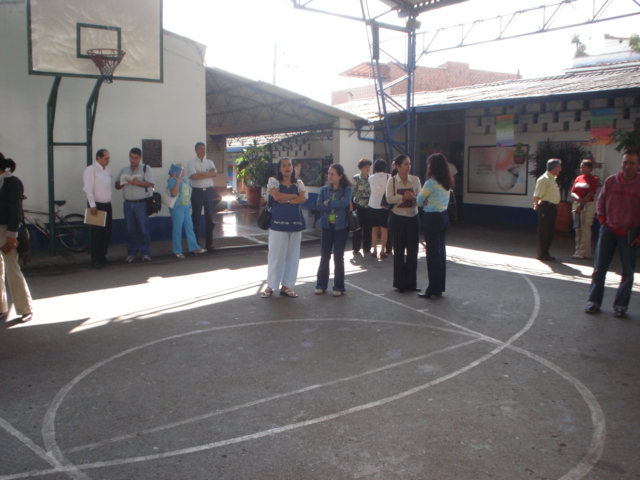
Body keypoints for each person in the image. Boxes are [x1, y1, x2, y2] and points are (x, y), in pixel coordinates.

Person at [585, 151, 640, 317]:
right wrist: (602, 220)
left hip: (630, 234)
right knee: (599, 269)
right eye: (625, 162)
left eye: (631, 163)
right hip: (608, 230)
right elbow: (600, 201)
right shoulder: (611, 181)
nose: (627, 166)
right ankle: (593, 302)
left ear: (638, 165)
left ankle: (621, 306)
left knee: (628, 272)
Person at [261, 158, 307, 299]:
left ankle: (287, 286)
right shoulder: (273, 181)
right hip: (277, 224)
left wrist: (285, 200)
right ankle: (270, 286)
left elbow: (302, 198)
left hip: (296, 223)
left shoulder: (299, 183)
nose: (287, 167)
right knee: (275, 255)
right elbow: (276, 196)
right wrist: (293, 196)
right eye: (284, 165)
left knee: (293, 256)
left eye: (289, 165)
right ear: (279, 168)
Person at [0, 155, 33, 323]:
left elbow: (16, 210)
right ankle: (1, 307)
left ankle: (25, 308)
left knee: (12, 269)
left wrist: (12, 234)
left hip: (6, 230)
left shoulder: (12, 183)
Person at [416, 153, 454, 298]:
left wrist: (425, 201)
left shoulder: (431, 183)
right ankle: (439, 287)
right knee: (440, 252)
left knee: (432, 253)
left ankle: (432, 289)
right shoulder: (446, 182)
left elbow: (419, 200)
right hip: (443, 216)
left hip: (432, 218)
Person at [386, 154, 422, 293]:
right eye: (406, 164)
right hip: (397, 218)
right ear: (398, 166)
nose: (408, 166)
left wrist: (413, 198)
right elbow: (389, 198)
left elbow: (420, 198)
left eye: (409, 163)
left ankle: (411, 283)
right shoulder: (392, 181)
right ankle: (400, 283)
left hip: (413, 217)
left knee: (413, 250)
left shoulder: (415, 180)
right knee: (399, 250)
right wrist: (402, 197)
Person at [315, 164, 352, 297]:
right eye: (328, 173)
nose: (329, 176)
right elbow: (319, 206)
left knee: (338, 257)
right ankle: (321, 285)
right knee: (325, 256)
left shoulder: (347, 189)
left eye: (332, 174)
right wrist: (336, 203)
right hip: (326, 226)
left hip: (341, 227)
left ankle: (339, 287)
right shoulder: (324, 190)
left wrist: (328, 203)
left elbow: (345, 203)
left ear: (340, 176)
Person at [115, 147, 154, 263]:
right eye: (131, 158)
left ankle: (145, 253)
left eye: (135, 158)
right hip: (128, 204)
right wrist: (122, 182)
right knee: (130, 230)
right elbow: (117, 186)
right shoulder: (124, 170)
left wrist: (136, 183)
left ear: (140, 158)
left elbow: (150, 184)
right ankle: (131, 253)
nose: (133, 160)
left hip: (141, 203)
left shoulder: (146, 169)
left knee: (143, 229)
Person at [167, 164, 207, 258]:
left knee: (190, 227)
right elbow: (174, 193)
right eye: (182, 170)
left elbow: (188, 193)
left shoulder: (185, 180)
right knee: (177, 229)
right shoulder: (172, 180)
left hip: (186, 207)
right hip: (177, 207)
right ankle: (177, 250)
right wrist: (177, 180)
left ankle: (194, 247)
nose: (184, 172)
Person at [82, 148, 112, 269]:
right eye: (106, 158)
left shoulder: (107, 170)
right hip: (97, 205)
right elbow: (88, 189)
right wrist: (92, 205)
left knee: (107, 232)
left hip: (107, 204)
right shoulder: (91, 170)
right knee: (97, 233)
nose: (108, 160)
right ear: (98, 158)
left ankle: (102, 256)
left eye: (108, 158)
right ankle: (95, 259)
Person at [186, 142, 217, 252]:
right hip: (197, 192)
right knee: (196, 219)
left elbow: (214, 174)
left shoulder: (210, 162)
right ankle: (195, 245)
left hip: (208, 191)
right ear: (196, 150)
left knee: (209, 219)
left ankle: (209, 244)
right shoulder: (191, 162)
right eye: (200, 149)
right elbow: (193, 176)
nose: (203, 151)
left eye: (204, 149)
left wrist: (200, 173)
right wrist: (207, 173)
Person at [533, 158, 562, 261]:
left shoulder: (552, 179)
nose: (560, 169)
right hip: (546, 207)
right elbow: (537, 196)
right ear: (554, 168)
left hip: (552, 207)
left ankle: (545, 252)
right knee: (544, 231)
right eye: (559, 167)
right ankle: (542, 253)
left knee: (549, 231)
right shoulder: (544, 179)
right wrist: (536, 206)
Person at [570, 159, 598, 259]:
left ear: (590, 168)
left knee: (585, 227)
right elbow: (572, 191)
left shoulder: (593, 179)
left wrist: (581, 204)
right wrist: (578, 199)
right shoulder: (578, 178)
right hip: (576, 204)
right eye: (581, 167)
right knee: (577, 228)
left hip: (587, 205)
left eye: (585, 167)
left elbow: (590, 193)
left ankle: (584, 252)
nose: (582, 169)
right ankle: (577, 250)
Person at [367, 159, 390, 259]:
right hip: (384, 205)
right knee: (384, 229)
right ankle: (383, 251)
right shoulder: (388, 176)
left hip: (373, 204)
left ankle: (374, 250)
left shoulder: (370, 178)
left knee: (374, 228)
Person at [351, 158, 372, 255]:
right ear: (361, 168)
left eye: (369, 167)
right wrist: (352, 206)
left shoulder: (371, 178)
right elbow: (353, 192)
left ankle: (367, 247)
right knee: (358, 227)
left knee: (368, 227)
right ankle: (356, 247)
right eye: (366, 167)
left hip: (369, 205)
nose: (368, 169)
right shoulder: (356, 178)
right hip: (358, 204)